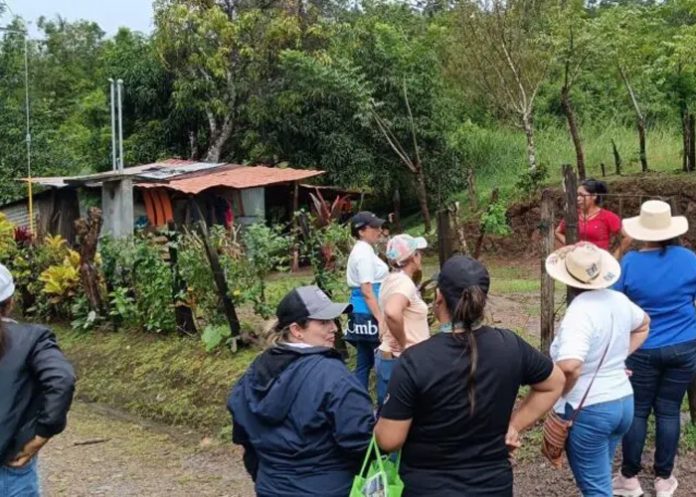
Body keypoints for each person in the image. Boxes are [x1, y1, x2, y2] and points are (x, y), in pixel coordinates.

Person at [374, 255, 565, 497]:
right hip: (493, 486)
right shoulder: (510, 346)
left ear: (439, 297)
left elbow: (389, 440)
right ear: (482, 301)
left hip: (428, 488)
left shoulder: (415, 360)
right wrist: (514, 425)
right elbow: (555, 382)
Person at [228, 286, 374, 497]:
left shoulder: (255, 371)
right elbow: (362, 441)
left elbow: (243, 435)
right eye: (323, 322)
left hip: (271, 488)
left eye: (333, 320)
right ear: (297, 330)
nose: (334, 328)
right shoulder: (333, 375)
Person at [546, 242, 650, 497]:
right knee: (601, 478)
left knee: (596, 490)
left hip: (590, 408)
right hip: (622, 402)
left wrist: (562, 393)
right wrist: (615, 360)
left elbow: (570, 366)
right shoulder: (619, 300)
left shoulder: (580, 312)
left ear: (569, 280)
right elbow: (644, 324)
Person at [612, 200, 694, 497]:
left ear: (642, 230)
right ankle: (663, 478)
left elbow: (614, 302)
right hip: (684, 346)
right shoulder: (689, 259)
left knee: (637, 412)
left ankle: (629, 478)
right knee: (669, 411)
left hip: (642, 345)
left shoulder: (630, 263)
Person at [0, 263, 76, 497]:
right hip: (12, 467)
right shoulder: (33, 338)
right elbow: (62, 378)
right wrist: (42, 434)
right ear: (10, 302)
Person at [375, 234, 430, 407]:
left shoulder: (389, 280)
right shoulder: (404, 283)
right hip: (402, 360)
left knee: (388, 412)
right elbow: (392, 312)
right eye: (419, 252)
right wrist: (404, 343)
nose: (421, 256)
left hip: (390, 357)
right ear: (413, 256)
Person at [345, 211, 389, 389]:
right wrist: (381, 319)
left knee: (364, 361)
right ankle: (383, 402)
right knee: (384, 358)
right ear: (361, 231)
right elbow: (367, 290)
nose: (379, 230)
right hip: (370, 312)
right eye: (374, 227)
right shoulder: (363, 253)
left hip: (361, 312)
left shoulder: (363, 250)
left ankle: (359, 402)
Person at [555, 178, 632, 258]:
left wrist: (615, 256)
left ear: (594, 196)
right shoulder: (573, 215)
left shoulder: (608, 216)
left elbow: (628, 237)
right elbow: (558, 232)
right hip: (577, 260)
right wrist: (571, 245)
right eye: (577, 195)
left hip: (599, 262)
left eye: (582, 195)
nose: (578, 198)